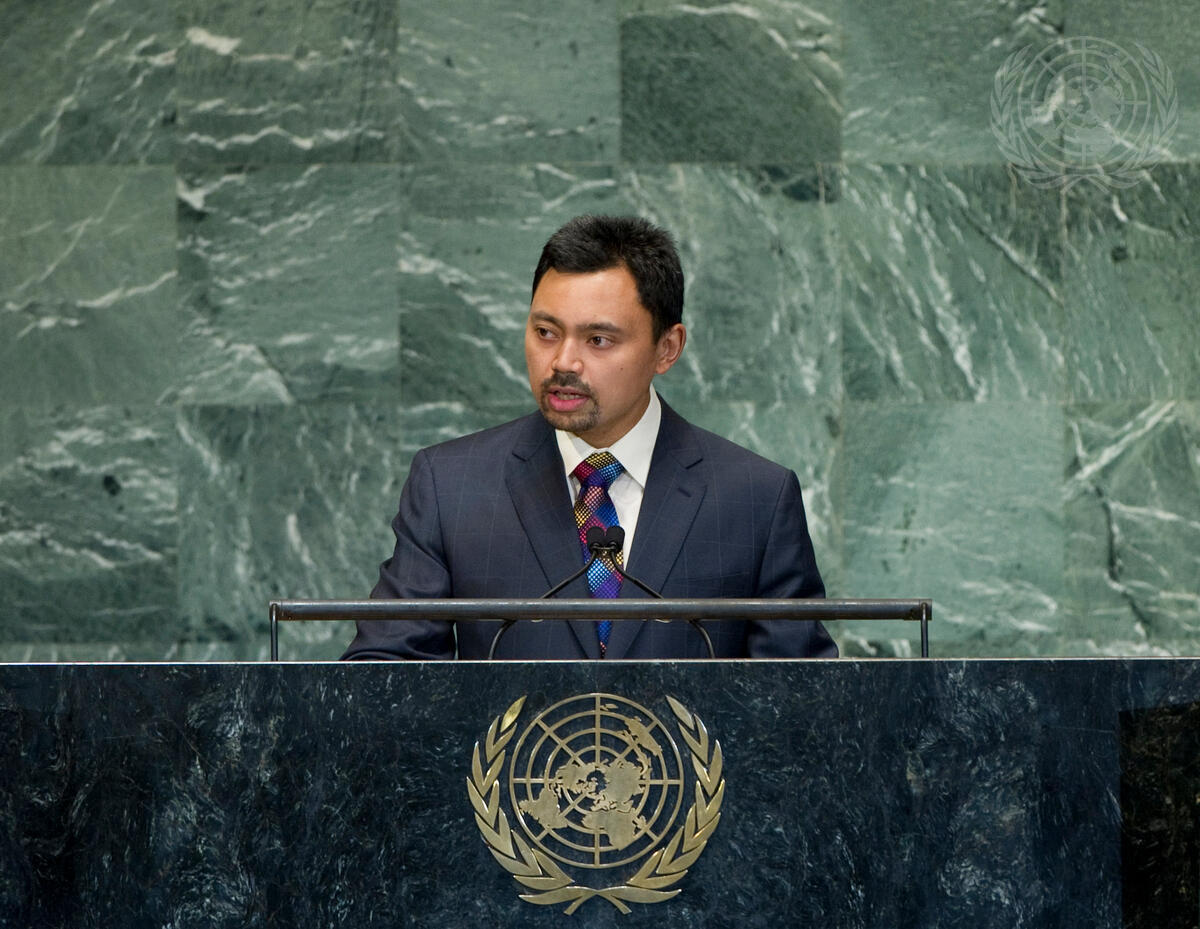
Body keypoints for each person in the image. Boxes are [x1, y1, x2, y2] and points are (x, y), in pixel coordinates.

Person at [342, 215, 837, 660]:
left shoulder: (754, 499)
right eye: (546, 332)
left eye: (598, 340)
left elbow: (799, 701)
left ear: (667, 348)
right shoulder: (451, 487)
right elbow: (383, 677)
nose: (563, 362)